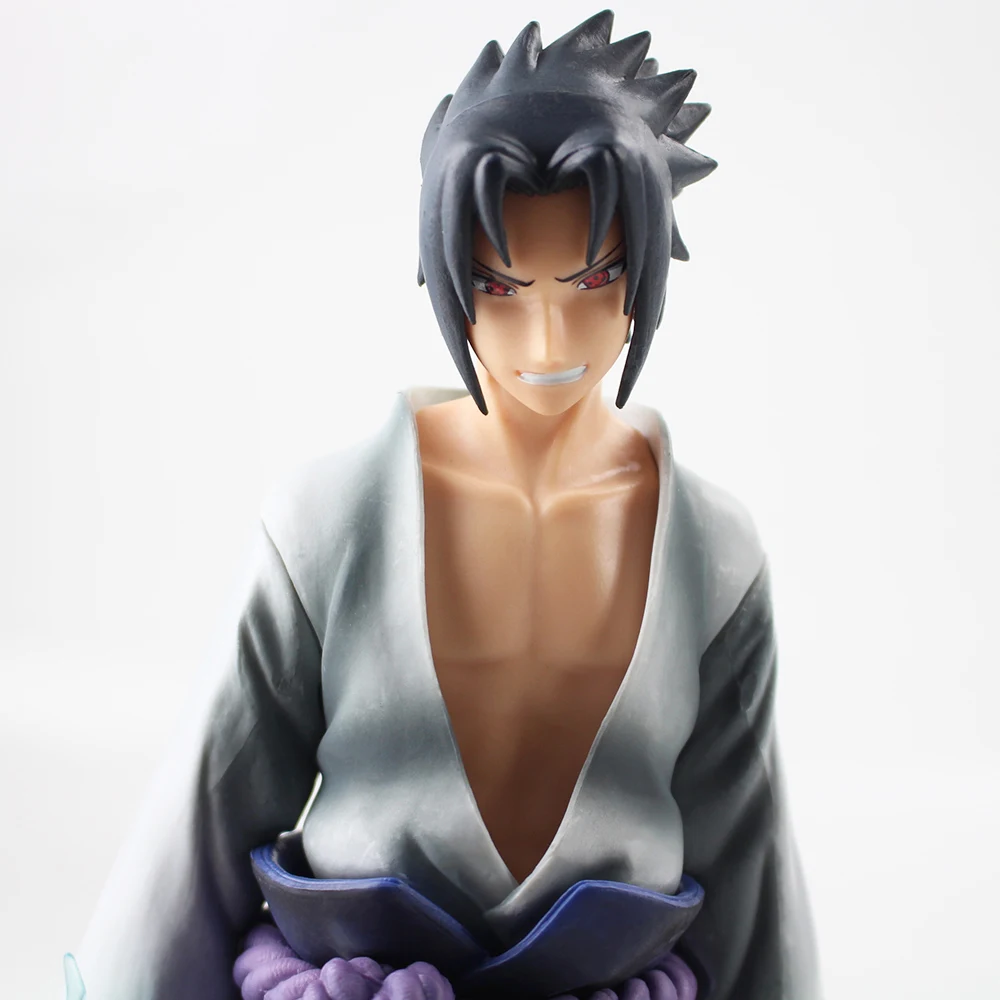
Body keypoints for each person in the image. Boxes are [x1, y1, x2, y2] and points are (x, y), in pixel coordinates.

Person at [70, 11, 821, 999]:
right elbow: (207, 813)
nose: (547, 337)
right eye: (500, 288)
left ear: (643, 268)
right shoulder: (331, 519)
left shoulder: (711, 552)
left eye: (593, 279)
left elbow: (744, 848)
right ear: (446, 278)